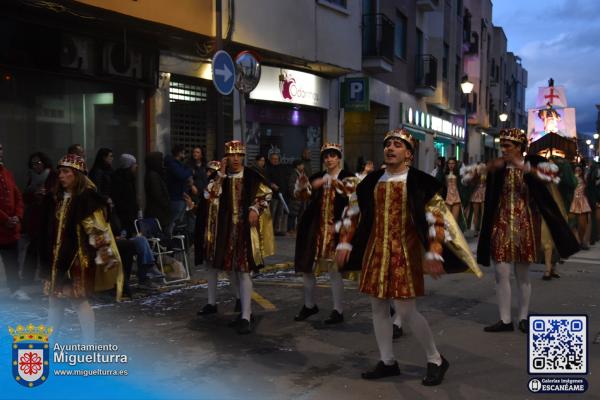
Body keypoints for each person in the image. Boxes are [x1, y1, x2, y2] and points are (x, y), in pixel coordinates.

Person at [335, 128, 481, 385]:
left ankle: (436, 359)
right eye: (387, 144)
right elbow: (353, 211)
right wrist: (345, 242)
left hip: (405, 252)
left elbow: (436, 219)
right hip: (376, 252)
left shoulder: (420, 183)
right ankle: (387, 361)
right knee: (377, 306)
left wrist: (434, 251)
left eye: (397, 145)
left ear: (409, 155)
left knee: (406, 310)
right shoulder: (370, 181)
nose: (390, 148)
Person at [477, 128, 579, 334]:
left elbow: (552, 178)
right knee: (500, 273)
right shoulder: (499, 167)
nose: (503, 149)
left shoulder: (534, 163)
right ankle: (505, 320)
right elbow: (479, 180)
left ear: (520, 148)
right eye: (502, 145)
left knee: (522, 275)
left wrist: (523, 168)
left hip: (526, 224)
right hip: (501, 224)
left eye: (508, 146)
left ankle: (523, 317)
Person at [46, 154, 123, 343]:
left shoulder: (86, 199)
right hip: (57, 259)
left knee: (78, 300)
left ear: (77, 175)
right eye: (60, 172)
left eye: (66, 172)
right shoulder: (59, 198)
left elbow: (96, 229)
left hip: (76, 259)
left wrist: (106, 256)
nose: (61, 176)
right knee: (55, 300)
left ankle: (88, 342)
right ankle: (48, 340)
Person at [201, 141, 274, 334]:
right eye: (232, 155)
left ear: (243, 156)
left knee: (244, 270)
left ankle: (246, 316)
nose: (235, 158)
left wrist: (254, 208)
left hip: (245, 231)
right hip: (226, 231)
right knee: (230, 269)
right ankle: (241, 307)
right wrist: (221, 174)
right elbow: (210, 196)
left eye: (239, 155)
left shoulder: (251, 175)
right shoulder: (220, 177)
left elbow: (266, 193)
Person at [293, 143, 354, 324]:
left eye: (332, 155)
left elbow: (352, 194)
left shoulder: (347, 177)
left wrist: (330, 181)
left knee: (334, 271)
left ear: (339, 157)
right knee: (307, 268)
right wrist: (303, 187)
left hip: (338, 230)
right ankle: (309, 305)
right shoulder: (317, 176)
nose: (329, 159)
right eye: (326, 156)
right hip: (315, 229)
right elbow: (303, 196)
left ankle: (338, 310)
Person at [193, 161, 241, 315]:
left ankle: (240, 299)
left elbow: (215, 196)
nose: (208, 175)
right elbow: (205, 208)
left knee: (229, 268)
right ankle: (211, 303)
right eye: (208, 172)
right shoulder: (211, 185)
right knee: (211, 269)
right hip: (210, 235)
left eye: (211, 172)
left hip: (225, 234)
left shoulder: (227, 188)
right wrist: (193, 207)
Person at [21, 152, 57, 284]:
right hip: (36, 215)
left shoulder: (52, 175)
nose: (35, 166)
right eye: (33, 164)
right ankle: (29, 276)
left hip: (49, 215)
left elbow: (56, 193)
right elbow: (26, 196)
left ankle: (45, 275)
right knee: (34, 246)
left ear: (44, 162)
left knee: (46, 246)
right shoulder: (32, 177)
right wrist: (34, 194)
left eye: (38, 163)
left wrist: (46, 193)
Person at [0, 143, 28, 301]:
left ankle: (15, 289)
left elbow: (18, 197)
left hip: (10, 230)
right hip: (3, 225)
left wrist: (18, 216)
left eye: (1, 148)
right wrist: (5, 219)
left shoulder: (7, 173)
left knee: (12, 263)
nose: (0, 152)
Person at [164, 145, 192, 236]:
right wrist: (190, 171)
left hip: (181, 197)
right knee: (173, 223)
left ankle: (174, 241)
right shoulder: (173, 164)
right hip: (176, 198)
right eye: (183, 153)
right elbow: (182, 175)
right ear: (179, 153)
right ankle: (169, 241)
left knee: (179, 223)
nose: (184, 156)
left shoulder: (178, 164)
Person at [144, 152, 172, 232]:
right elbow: (157, 194)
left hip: (158, 213)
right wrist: (166, 204)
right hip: (157, 214)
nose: (162, 163)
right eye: (160, 161)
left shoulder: (154, 174)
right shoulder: (153, 175)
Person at [266, 152, 289, 236]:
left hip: (281, 194)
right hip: (272, 195)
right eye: (273, 159)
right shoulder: (267, 168)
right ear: (270, 159)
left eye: (276, 159)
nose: (275, 160)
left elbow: (285, 179)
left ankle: (277, 229)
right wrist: (271, 184)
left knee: (280, 213)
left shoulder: (282, 168)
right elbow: (266, 179)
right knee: (272, 212)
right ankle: (269, 229)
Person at [570, 165, 592, 250]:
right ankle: (578, 242)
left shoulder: (584, 179)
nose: (578, 172)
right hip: (573, 202)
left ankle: (583, 241)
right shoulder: (572, 179)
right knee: (573, 224)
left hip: (583, 202)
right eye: (576, 170)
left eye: (579, 170)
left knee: (584, 224)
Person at [287, 159, 308, 235]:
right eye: (302, 165)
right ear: (297, 166)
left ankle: (298, 229)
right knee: (293, 214)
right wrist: (294, 194)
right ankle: (291, 229)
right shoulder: (294, 174)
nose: (303, 166)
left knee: (301, 214)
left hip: (302, 197)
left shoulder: (302, 173)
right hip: (296, 197)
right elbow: (291, 185)